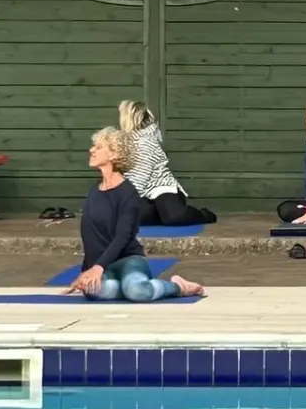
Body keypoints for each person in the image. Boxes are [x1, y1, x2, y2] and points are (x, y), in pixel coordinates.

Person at [66, 127, 206, 302]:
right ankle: (126, 288)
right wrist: (86, 272)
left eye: (98, 147)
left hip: (128, 260)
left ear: (114, 154)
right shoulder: (94, 191)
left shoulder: (128, 193)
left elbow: (123, 236)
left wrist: (97, 267)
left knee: (137, 292)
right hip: (102, 266)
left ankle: (178, 286)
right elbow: (89, 235)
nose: (91, 150)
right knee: (97, 291)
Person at [117, 100, 217, 226]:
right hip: (143, 194)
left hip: (161, 188)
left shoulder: (146, 142)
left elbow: (141, 177)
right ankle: (158, 212)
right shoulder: (125, 141)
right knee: (135, 216)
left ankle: (202, 214)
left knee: (174, 217)